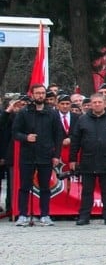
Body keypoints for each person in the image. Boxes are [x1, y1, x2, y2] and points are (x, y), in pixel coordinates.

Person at [68, 93, 106, 225]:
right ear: (90, 105)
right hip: (88, 160)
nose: (97, 104)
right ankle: (84, 216)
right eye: (94, 102)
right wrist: (72, 159)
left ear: (105, 104)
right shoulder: (82, 119)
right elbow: (75, 140)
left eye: (100, 102)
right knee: (87, 191)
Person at [12, 84, 62, 226]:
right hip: (27, 155)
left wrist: (56, 155)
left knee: (45, 186)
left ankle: (45, 214)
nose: (40, 95)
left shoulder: (52, 113)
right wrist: (26, 137)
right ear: (32, 95)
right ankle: (23, 214)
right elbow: (15, 132)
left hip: (45, 155)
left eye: (42, 93)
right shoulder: (24, 112)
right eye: (37, 93)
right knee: (24, 186)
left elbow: (58, 135)